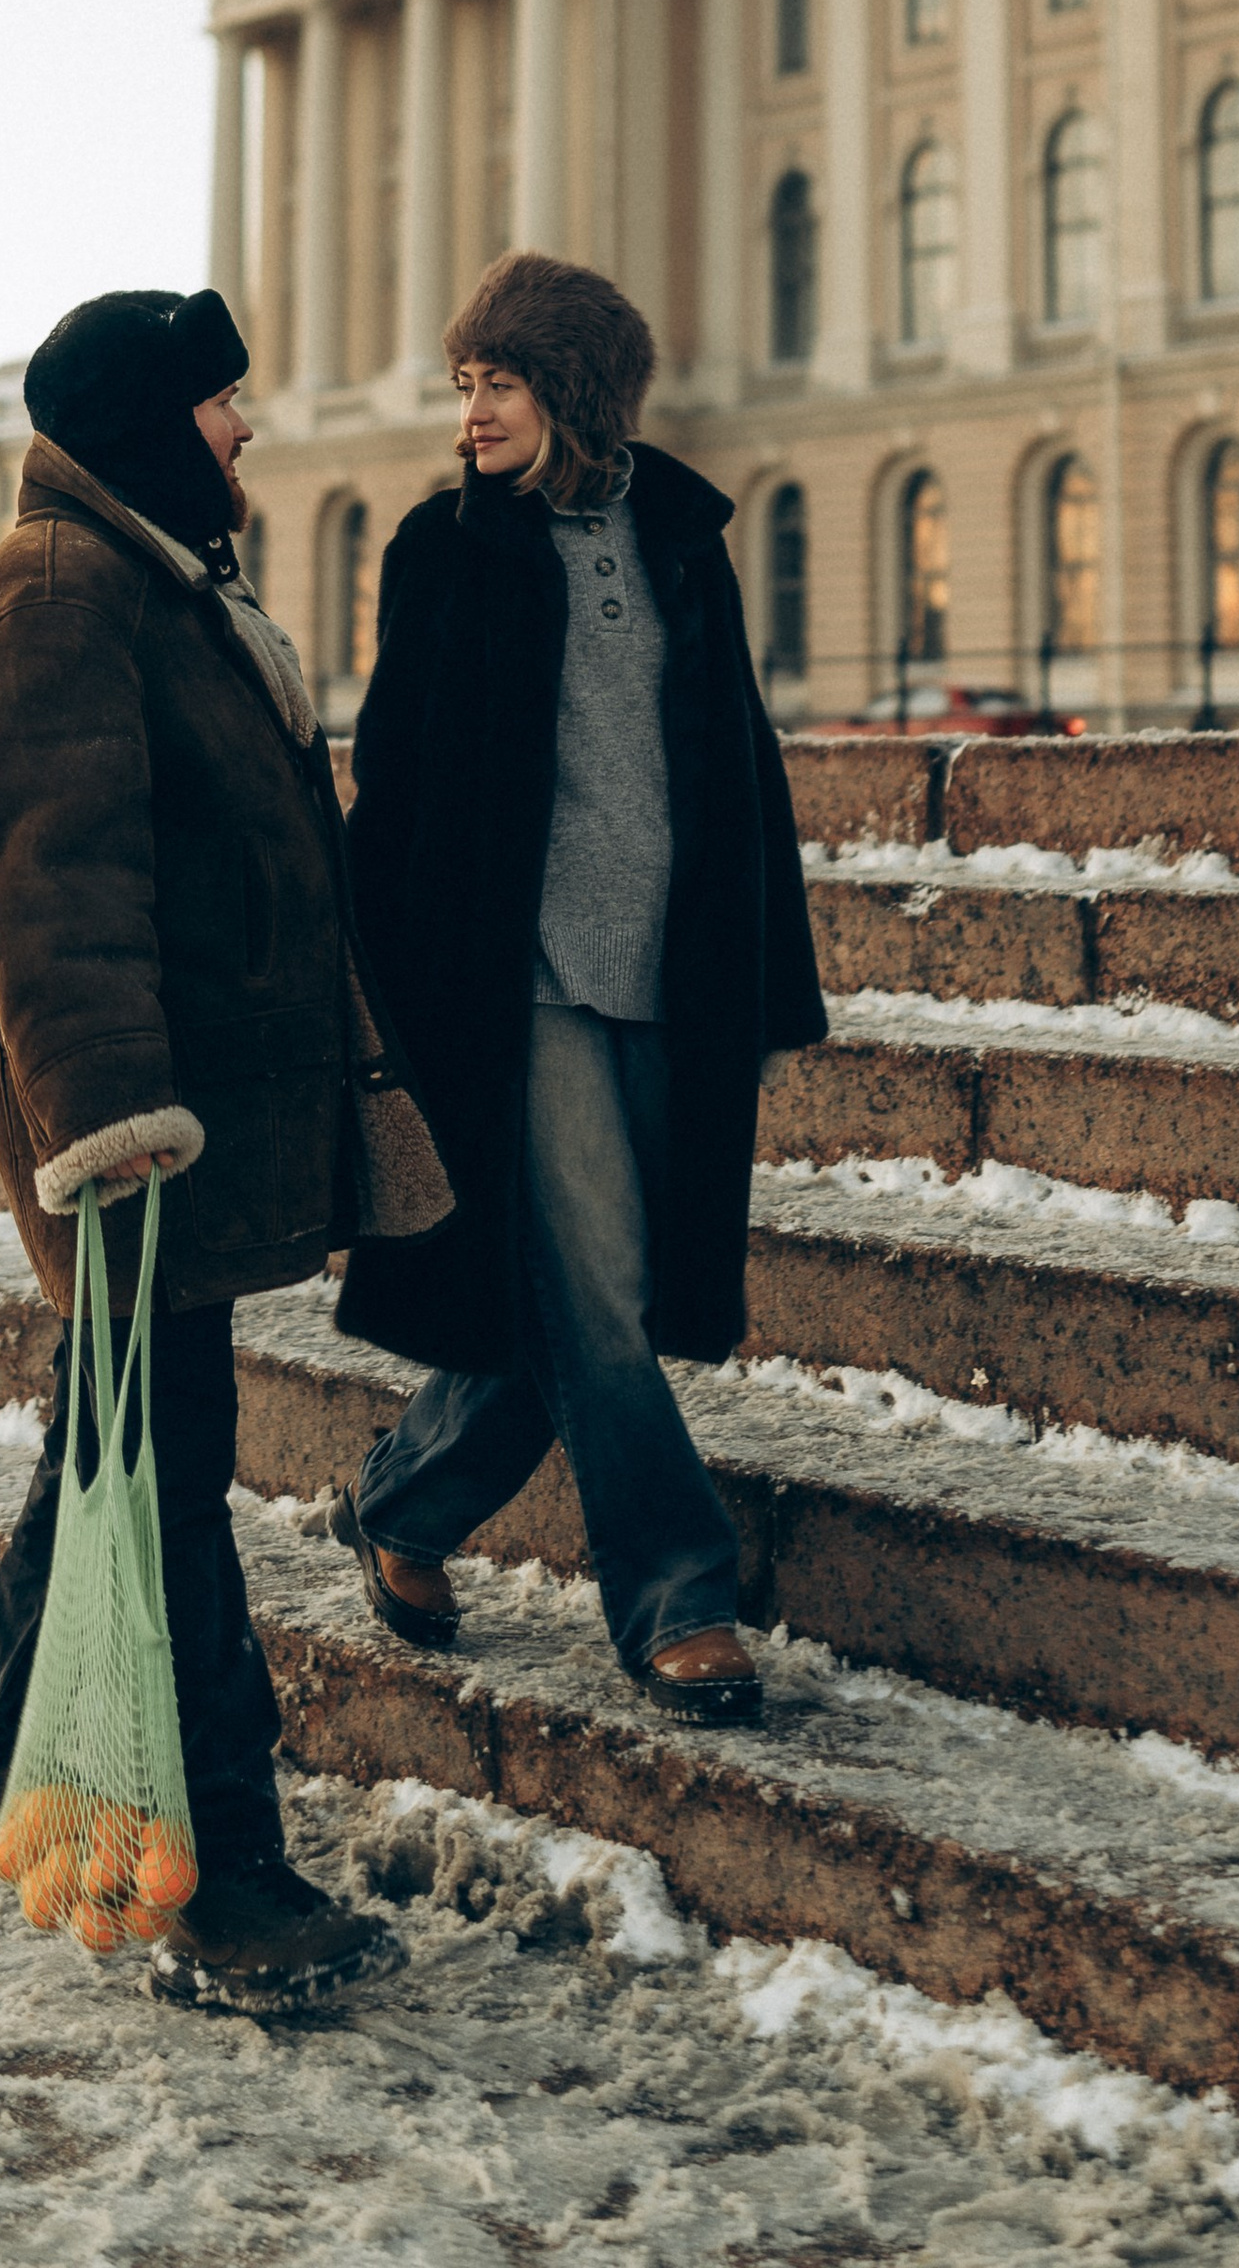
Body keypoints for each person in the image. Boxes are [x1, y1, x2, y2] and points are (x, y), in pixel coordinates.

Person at [0, 283, 454, 2017]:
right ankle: (224, 1883)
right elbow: (51, 908)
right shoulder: (61, 602)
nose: (247, 428)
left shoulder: (142, 580)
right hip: (148, 1139)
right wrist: (113, 1131)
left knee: (111, 1446)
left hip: (195, 1117)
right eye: (224, 401)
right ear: (154, 420)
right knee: (162, 1493)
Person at [332, 250, 825, 1723]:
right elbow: (400, 784)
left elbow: (742, 771)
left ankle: (407, 1502)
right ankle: (680, 1595)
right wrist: (371, 993)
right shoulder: (442, 549)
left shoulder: (684, 536)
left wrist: (772, 980)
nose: (471, 409)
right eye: (465, 383)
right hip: (518, 980)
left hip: (672, 968)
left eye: (501, 380)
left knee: (575, 1291)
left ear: (575, 388)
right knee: (601, 1289)